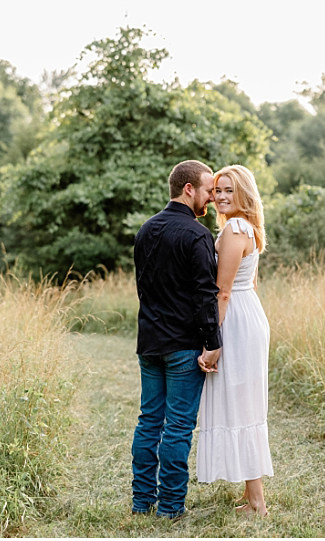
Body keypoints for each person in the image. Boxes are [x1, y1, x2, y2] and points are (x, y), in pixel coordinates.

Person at [131, 160, 223, 519]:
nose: (211, 198)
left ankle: (142, 502)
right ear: (189, 189)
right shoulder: (197, 234)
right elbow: (205, 294)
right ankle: (169, 506)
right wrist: (212, 341)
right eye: (208, 190)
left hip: (150, 343)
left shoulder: (145, 229)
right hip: (184, 345)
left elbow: (144, 288)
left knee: (149, 420)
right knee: (179, 426)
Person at [196, 164, 273, 517]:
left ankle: (257, 502)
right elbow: (249, 283)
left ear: (243, 193)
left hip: (237, 319)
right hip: (249, 311)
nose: (221, 197)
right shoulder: (245, 227)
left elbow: (222, 292)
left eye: (228, 190)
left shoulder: (234, 230)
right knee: (245, 401)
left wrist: (212, 343)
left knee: (242, 403)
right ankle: (251, 494)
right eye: (217, 190)